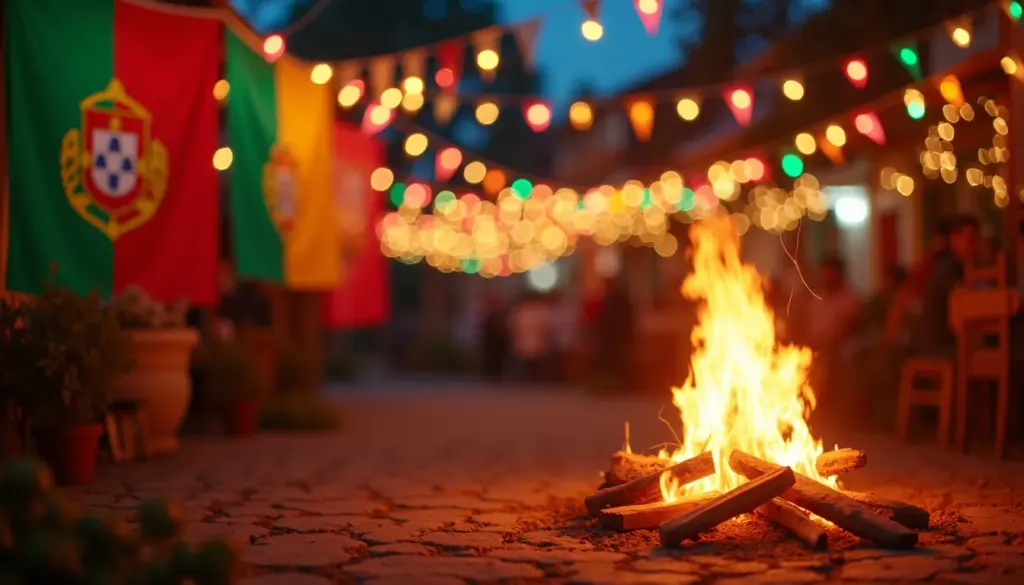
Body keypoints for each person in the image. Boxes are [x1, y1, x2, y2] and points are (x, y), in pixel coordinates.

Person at [908, 215, 980, 356]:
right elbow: (965, 302)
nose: (973, 247)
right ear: (953, 239)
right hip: (936, 347)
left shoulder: (957, 267)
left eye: (976, 240)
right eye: (969, 240)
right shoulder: (949, 268)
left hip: (938, 343)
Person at [805, 255, 860, 403]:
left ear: (838, 274)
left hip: (836, 346)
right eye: (823, 273)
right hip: (814, 344)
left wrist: (828, 343)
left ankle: (827, 401)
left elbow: (847, 327)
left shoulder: (847, 298)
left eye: (829, 273)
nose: (825, 277)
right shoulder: (817, 296)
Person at [509, 293, 551, 382]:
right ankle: (531, 378)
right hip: (530, 341)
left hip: (531, 341)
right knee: (530, 362)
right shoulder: (533, 312)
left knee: (531, 362)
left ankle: (531, 378)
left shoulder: (522, 312)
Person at [480, 294, 508, 383]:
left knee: (497, 363)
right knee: (491, 363)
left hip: (498, 346)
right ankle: (491, 379)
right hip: (491, 346)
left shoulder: (500, 316)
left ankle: (495, 379)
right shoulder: (488, 317)